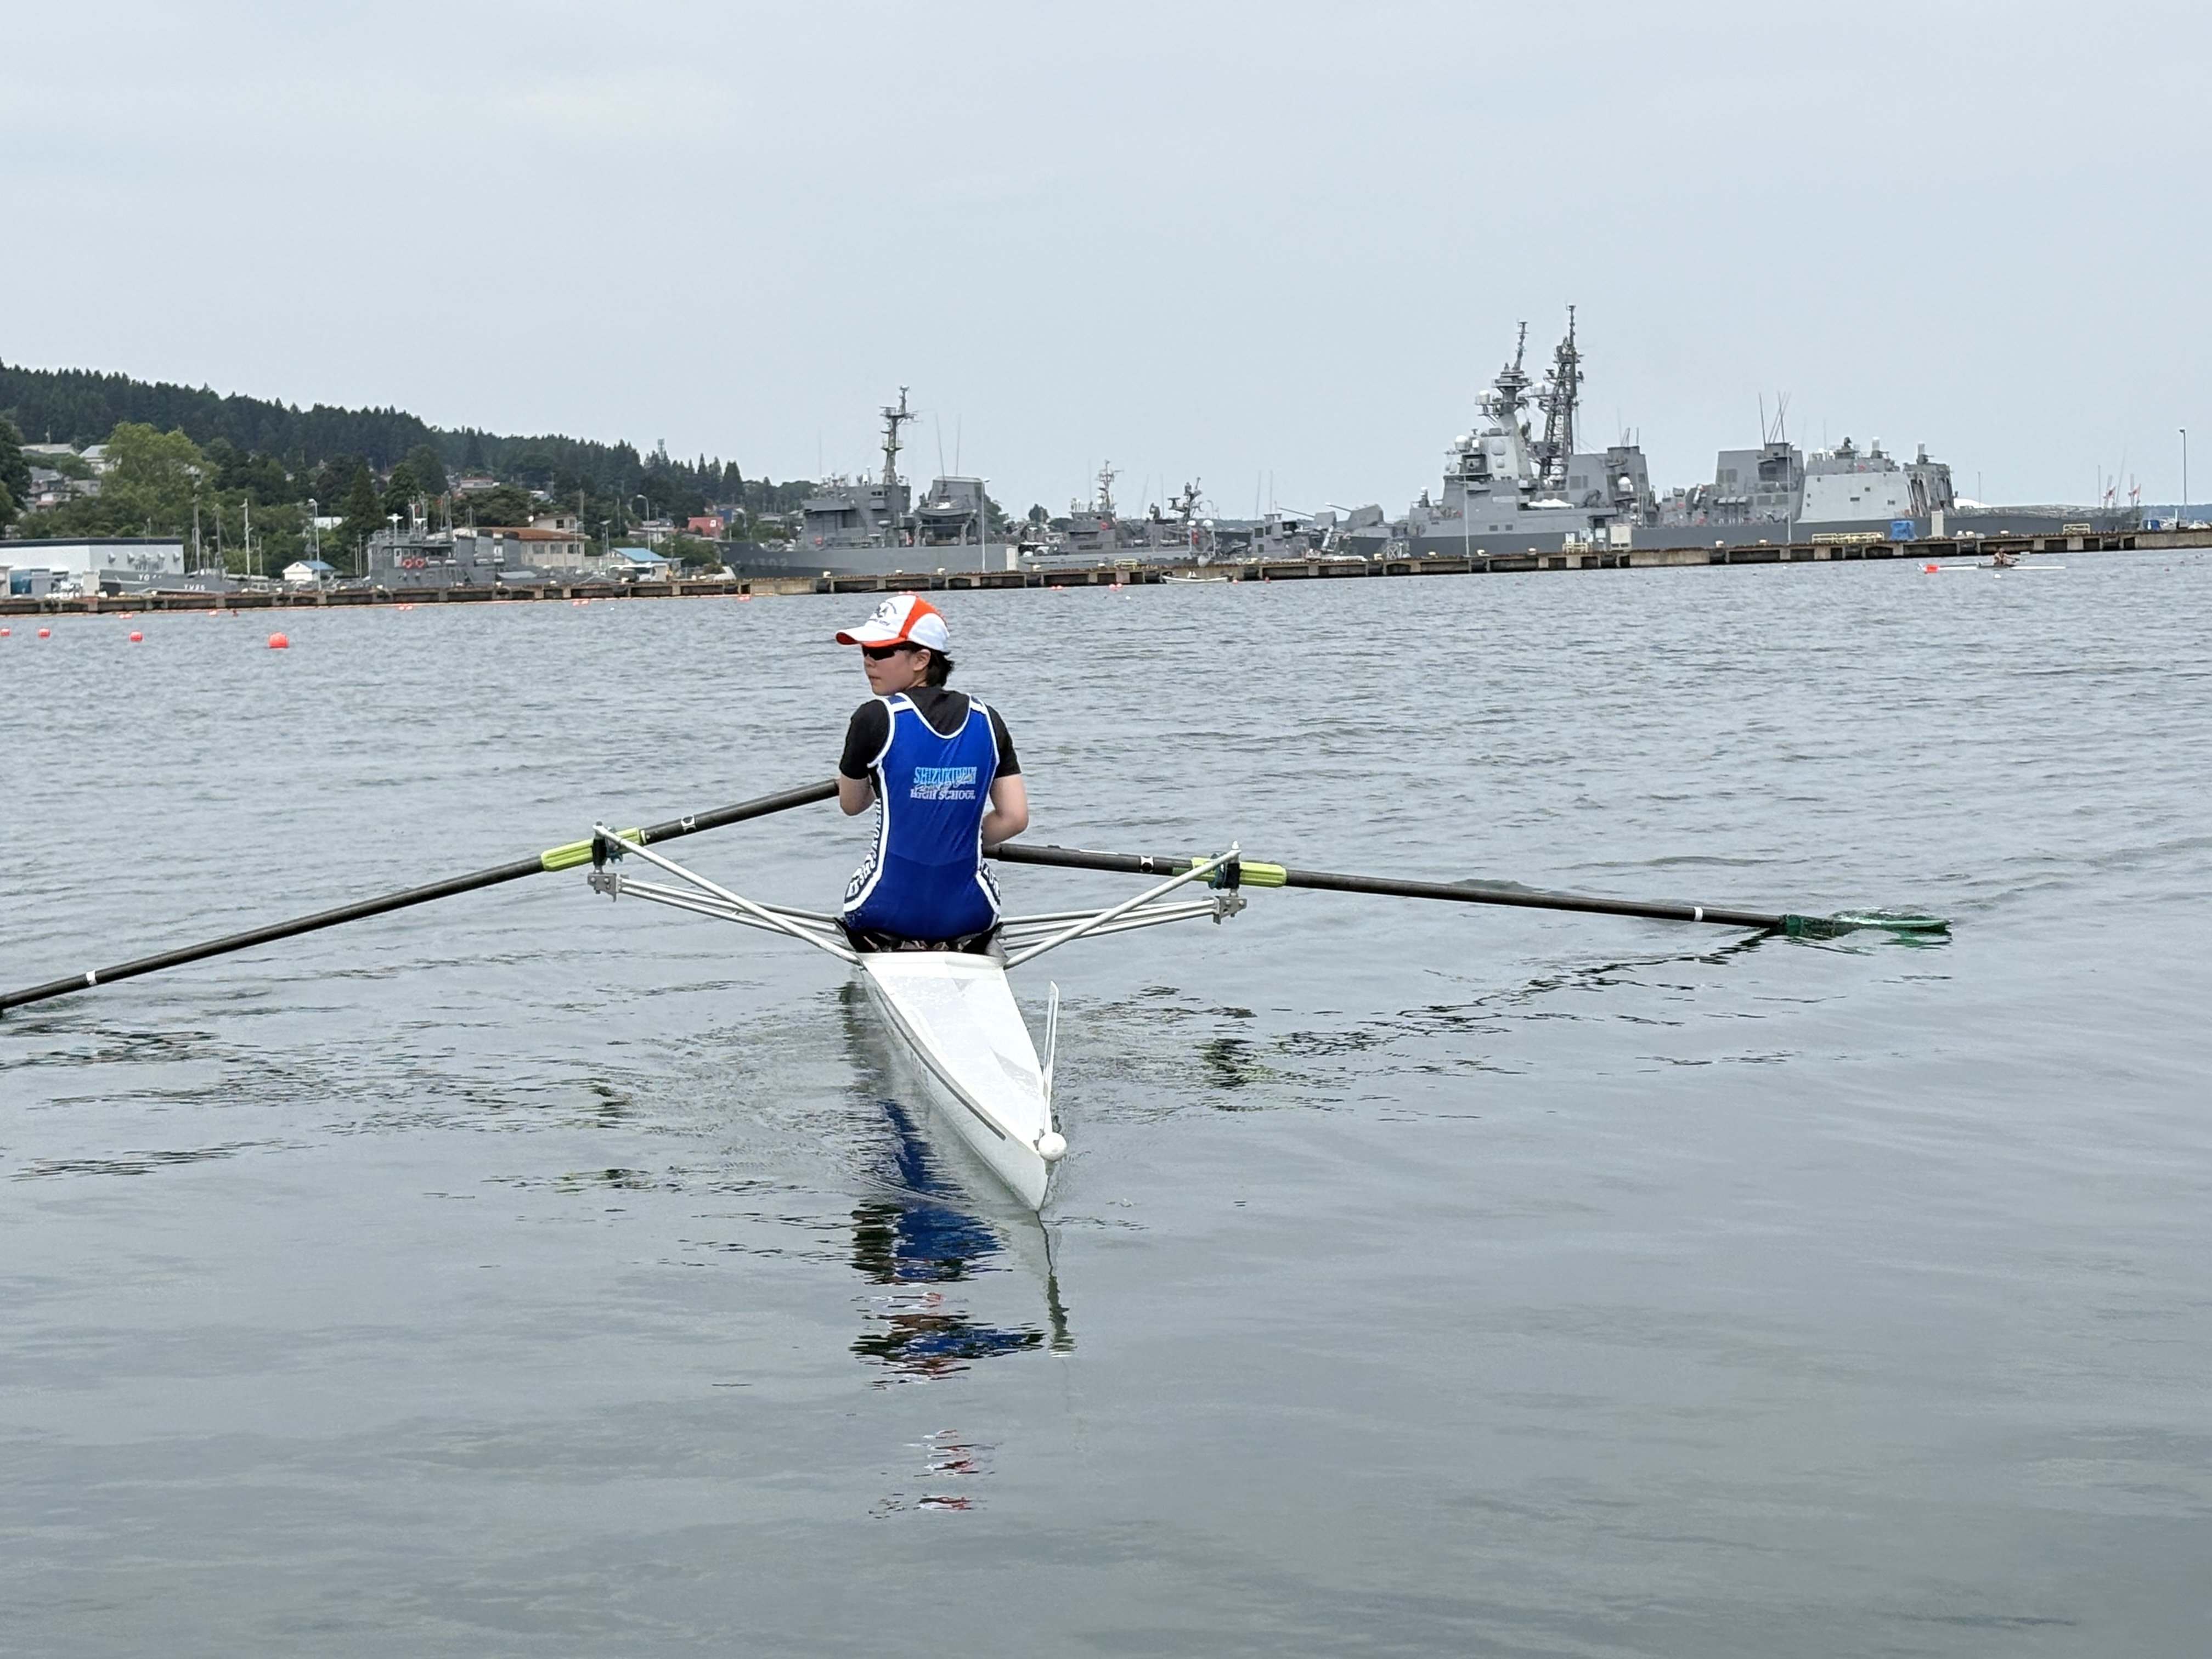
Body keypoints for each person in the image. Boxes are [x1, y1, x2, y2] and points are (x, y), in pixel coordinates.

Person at [833, 595, 1028, 951]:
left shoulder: (873, 718)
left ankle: (892, 942)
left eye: (880, 652)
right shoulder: (989, 719)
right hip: (972, 912)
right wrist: (960, 838)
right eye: (864, 651)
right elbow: (1014, 818)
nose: (867, 662)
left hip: (881, 909)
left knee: (867, 889)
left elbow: (852, 804)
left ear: (922, 659)